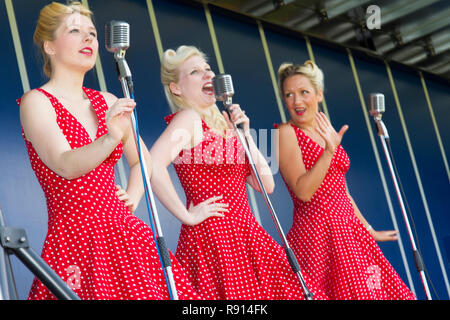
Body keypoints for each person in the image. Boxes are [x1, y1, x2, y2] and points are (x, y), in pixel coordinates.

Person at [18, 1, 201, 300]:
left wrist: (134, 195)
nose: (88, 38)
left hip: (125, 234)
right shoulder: (36, 101)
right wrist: (110, 138)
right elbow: (64, 164)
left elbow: (142, 159)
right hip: (75, 241)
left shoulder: (107, 99)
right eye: (75, 31)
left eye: (91, 32)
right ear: (50, 46)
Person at [149, 45, 328, 300]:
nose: (207, 75)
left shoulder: (226, 124)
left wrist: (245, 134)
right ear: (176, 88)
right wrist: (187, 215)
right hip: (215, 238)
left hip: (246, 235)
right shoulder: (188, 119)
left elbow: (266, 184)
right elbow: (153, 164)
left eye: (208, 69)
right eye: (195, 72)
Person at [275, 60, 416, 300]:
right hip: (317, 236)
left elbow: (342, 193)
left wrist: (370, 230)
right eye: (289, 94)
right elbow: (303, 191)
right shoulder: (284, 132)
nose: (297, 101)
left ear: (319, 94)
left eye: (304, 92)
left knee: (378, 293)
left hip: (349, 234)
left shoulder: (326, 129)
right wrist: (329, 151)